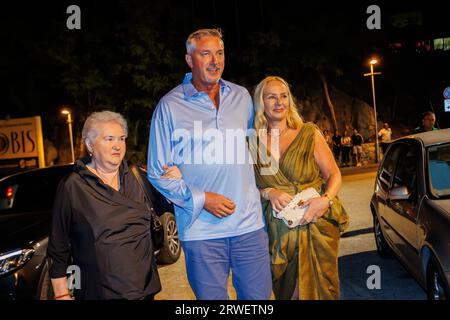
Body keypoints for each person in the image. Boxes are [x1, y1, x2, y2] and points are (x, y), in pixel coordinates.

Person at [147, 28, 272, 300]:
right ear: (190, 60)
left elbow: (262, 151)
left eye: (219, 53)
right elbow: (157, 172)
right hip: (201, 231)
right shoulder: (169, 107)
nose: (215, 61)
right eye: (206, 54)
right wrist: (202, 198)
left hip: (249, 227)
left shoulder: (242, 97)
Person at [250, 76, 349, 300]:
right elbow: (242, 188)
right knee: (287, 293)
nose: (279, 102)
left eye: (284, 96)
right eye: (271, 97)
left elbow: (334, 174)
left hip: (315, 224)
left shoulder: (308, 133)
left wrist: (326, 199)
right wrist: (267, 192)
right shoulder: (252, 142)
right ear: (260, 103)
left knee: (322, 290)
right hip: (277, 232)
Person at [47, 111, 161, 300]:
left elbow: (164, 206)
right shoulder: (73, 186)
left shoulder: (136, 176)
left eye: (122, 138)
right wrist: (61, 294)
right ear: (90, 144)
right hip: (100, 292)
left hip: (145, 289)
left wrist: (173, 178)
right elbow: (58, 246)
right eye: (109, 139)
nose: (118, 145)